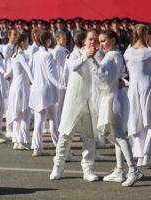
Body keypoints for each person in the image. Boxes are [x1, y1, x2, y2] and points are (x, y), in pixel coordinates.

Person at [92, 30, 143, 186]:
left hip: (113, 98)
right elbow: (116, 77)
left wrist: (92, 61)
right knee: (117, 136)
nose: (101, 44)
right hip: (117, 96)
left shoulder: (111, 55)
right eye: (100, 41)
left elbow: (104, 77)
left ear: (113, 40)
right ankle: (120, 169)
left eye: (104, 41)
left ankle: (132, 169)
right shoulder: (117, 54)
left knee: (119, 135)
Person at [50, 29, 100, 182]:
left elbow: (104, 74)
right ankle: (58, 166)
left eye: (96, 40)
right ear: (84, 41)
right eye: (90, 39)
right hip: (74, 101)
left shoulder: (100, 55)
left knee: (89, 137)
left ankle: (88, 169)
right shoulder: (76, 53)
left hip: (90, 102)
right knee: (65, 135)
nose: (93, 42)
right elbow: (72, 67)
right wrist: (87, 56)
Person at [29, 30, 65, 156]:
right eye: (50, 39)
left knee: (39, 120)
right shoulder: (48, 55)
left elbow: (34, 72)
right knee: (54, 120)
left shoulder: (36, 54)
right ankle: (59, 147)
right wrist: (61, 86)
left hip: (37, 90)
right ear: (46, 40)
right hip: (47, 91)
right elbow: (50, 75)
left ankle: (37, 147)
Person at [124, 24, 151, 167]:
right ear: (145, 34)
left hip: (133, 88)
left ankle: (141, 154)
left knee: (137, 121)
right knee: (147, 121)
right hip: (147, 86)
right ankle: (145, 154)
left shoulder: (128, 52)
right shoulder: (148, 51)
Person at [7, 34, 34, 150]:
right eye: (27, 41)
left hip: (15, 87)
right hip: (22, 88)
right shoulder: (21, 55)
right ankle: (22, 140)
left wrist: (7, 76)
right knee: (25, 115)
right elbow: (27, 69)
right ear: (22, 43)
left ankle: (17, 141)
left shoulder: (14, 55)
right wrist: (34, 81)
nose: (28, 43)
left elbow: (7, 73)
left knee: (18, 116)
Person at [3, 28, 19, 139]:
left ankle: (15, 127)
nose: (15, 36)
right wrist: (7, 74)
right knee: (9, 104)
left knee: (15, 103)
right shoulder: (7, 48)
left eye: (16, 34)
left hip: (16, 77)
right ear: (9, 36)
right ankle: (9, 129)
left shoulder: (17, 47)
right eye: (13, 34)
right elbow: (6, 62)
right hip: (9, 77)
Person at [52, 31, 70, 122]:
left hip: (65, 80)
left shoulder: (66, 50)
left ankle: (61, 124)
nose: (65, 41)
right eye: (63, 39)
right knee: (58, 105)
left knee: (63, 105)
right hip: (58, 80)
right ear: (57, 40)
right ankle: (57, 125)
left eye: (66, 39)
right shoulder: (56, 51)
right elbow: (53, 66)